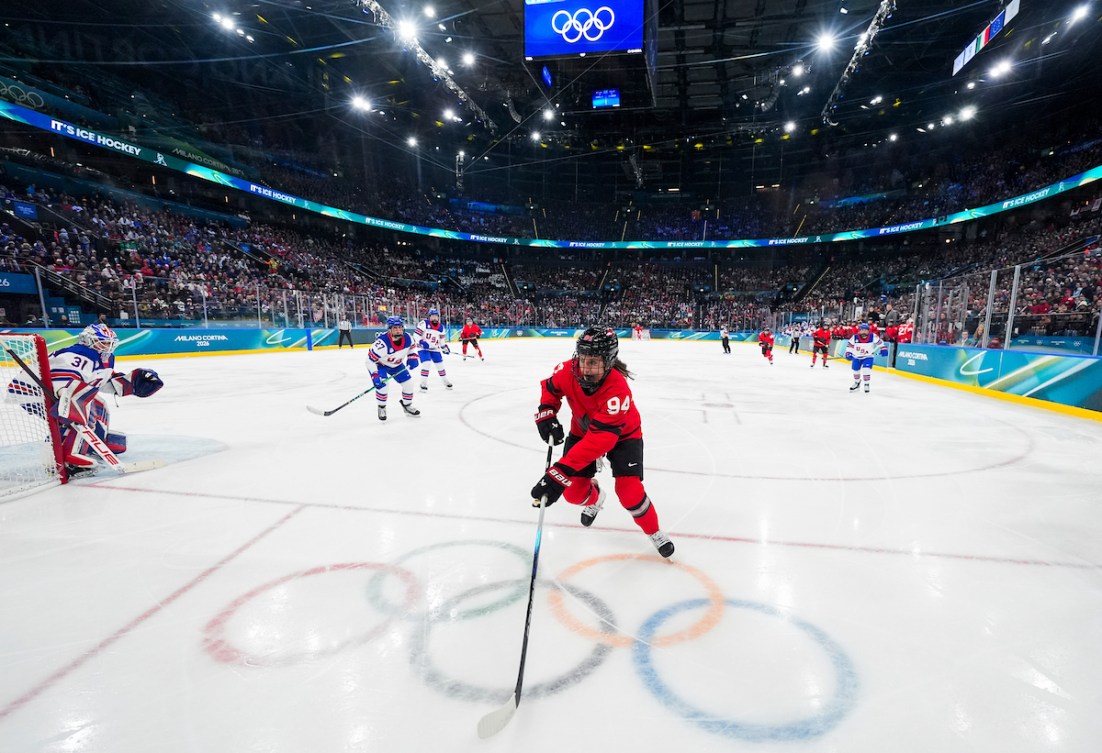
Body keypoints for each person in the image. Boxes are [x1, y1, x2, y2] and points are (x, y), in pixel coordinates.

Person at [530, 327, 674, 557]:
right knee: (573, 494)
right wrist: (547, 411)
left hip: (624, 436)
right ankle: (596, 495)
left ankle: (654, 531)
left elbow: (601, 440)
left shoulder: (618, 389)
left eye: (594, 362)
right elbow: (550, 389)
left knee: (630, 493)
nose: (586, 368)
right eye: (583, 359)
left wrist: (559, 471)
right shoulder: (567, 369)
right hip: (583, 432)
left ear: (608, 362)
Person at [43, 323, 164, 472]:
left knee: (100, 405)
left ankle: (93, 444)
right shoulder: (79, 353)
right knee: (82, 407)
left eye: (110, 343)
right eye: (103, 342)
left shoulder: (103, 358)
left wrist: (132, 383)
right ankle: (69, 456)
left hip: (63, 392)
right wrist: (64, 392)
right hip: (41, 393)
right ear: (88, 340)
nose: (108, 346)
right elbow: (64, 375)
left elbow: (101, 382)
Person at [366, 316, 421, 420]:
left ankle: (407, 405)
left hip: (397, 365)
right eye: (395, 328)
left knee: (409, 384)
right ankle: (381, 407)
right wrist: (374, 375)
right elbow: (369, 361)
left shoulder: (408, 338)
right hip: (380, 365)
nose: (398, 330)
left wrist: (412, 356)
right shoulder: (382, 343)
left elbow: (412, 348)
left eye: (400, 327)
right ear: (389, 329)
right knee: (383, 385)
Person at [844, 322, 889, 393]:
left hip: (868, 357)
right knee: (856, 370)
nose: (864, 331)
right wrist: (848, 353)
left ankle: (866, 384)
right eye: (862, 330)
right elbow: (849, 346)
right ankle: (857, 383)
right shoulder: (854, 337)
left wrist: (883, 349)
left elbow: (880, 343)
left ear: (868, 331)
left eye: (866, 330)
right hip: (856, 357)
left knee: (866, 369)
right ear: (859, 330)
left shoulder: (872, 336)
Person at [415, 308, 453, 391]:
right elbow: (416, 335)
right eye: (432, 316)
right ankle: (423, 384)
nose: (434, 318)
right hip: (423, 349)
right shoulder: (424, 323)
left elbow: (441, 340)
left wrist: (444, 347)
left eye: (436, 316)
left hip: (435, 349)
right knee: (427, 363)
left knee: (440, 366)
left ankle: (445, 381)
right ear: (429, 317)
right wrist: (421, 341)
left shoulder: (441, 327)